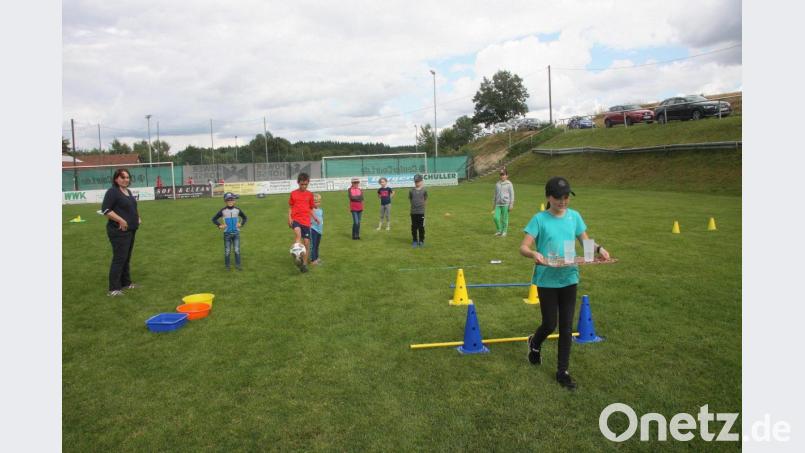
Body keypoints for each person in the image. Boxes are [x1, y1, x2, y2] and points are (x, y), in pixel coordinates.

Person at [519, 176, 610, 390]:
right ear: (548, 197)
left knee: (567, 326)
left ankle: (563, 372)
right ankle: (534, 342)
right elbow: (523, 247)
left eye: (566, 197)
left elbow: (585, 241)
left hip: (569, 277)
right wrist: (533, 254)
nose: (563, 201)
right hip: (547, 280)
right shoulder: (539, 219)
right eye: (558, 197)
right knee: (550, 323)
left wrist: (598, 249)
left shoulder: (574, 217)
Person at [100, 168, 141, 296]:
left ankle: (126, 283)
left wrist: (137, 217)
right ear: (116, 178)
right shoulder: (112, 192)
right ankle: (113, 289)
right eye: (123, 177)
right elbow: (105, 210)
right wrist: (121, 221)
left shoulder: (127, 191)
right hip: (119, 231)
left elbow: (132, 207)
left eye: (127, 177)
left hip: (131, 230)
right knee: (119, 258)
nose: (126, 180)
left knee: (126, 258)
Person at [288, 172, 319, 273]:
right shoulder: (293, 193)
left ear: (308, 183)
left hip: (306, 222)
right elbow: (291, 207)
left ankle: (304, 264)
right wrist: (289, 218)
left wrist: (315, 218)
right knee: (298, 234)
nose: (304, 186)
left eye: (306, 184)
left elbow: (310, 209)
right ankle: (297, 255)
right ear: (298, 183)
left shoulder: (310, 195)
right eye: (302, 184)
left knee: (306, 242)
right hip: (296, 219)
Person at [212, 192, 248, 271]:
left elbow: (245, 218)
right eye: (228, 200)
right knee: (227, 251)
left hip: (236, 234)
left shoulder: (237, 210)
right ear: (225, 201)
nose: (230, 201)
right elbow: (214, 219)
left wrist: (241, 224)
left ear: (234, 201)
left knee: (236, 250)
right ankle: (227, 266)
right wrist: (219, 225)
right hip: (227, 234)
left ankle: (238, 265)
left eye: (231, 200)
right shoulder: (223, 211)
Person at [492, 168, 514, 236]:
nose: (502, 176)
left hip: (506, 204)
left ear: (507, 175)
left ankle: (504, 231)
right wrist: (493, 204)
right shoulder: (497, 184)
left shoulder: (509, 184)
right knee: (495, 217)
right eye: (501, 174)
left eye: (503, 174)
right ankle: (499, 230)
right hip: (498, 204)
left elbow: (512, 194)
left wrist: (511, 204)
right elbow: (495, 194)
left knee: (504, 219)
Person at [409, 174, 428, 247]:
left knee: (421, 227)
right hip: (413, 212)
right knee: (413, 227)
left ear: (421, 181)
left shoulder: (424, 191)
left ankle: (421, 240)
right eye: (415, 181)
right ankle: (414, 240)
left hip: (421, 212)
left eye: (418, 181)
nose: (417, 183)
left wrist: (422, 208)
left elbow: (425, 199)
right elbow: (411, 200)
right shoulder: (411, 191)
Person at [310, 193, 323, 265]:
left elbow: (321, 219)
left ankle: (317, 257)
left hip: (319, 230)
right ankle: (313, 260)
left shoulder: (321, 210)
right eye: (315, 202)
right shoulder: (311, 210)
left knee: (317, 244)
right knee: (313, 244)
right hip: (313, 229)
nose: (317, 204)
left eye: (318, 202)